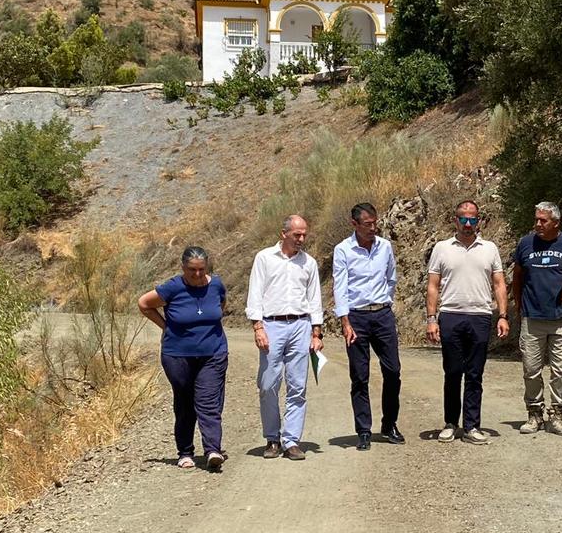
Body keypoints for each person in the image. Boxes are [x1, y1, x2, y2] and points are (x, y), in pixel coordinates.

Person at [137, 246, 229, 471]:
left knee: (208, 402)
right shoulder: (173, 288)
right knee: (185, 401)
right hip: (177, 355)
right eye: (191, 270)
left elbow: (221, 305)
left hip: (213, 353)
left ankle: (213, 450)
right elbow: (144, 304)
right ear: (183, 268)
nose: (197, 275)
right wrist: (165, 326)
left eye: (201, 270)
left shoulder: (216, 285)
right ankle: (185, 452)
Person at [425, 199, 509, 445]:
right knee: (452, 372)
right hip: (450, 315)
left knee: (475, 374)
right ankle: (451, 423)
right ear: (455, 220)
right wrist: (431, 319)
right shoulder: (442, 248)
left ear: (479, 220)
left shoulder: (490, 248)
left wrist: (502, 316)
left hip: (480, 316)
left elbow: (499, 284)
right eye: (463, 218)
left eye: (473, 219)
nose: (468, 223)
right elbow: (432, 285)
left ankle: (472, 426)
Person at [246, 215, 324, 461]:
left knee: (297, 386)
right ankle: (272, 438)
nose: (301, 239)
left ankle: (291, 440)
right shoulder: (265, 258)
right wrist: (258, 327)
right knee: (268, 384)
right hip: (272, 325)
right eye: (296, 235)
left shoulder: (308, 263)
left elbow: (315, 299)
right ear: (284, 234)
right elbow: (255, 293)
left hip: (300, 325)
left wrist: (316, 332)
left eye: (304, 235)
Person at [332, 202, 403, 451]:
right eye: (367, 224)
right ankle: (363, 430)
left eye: (375, 223)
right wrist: (345, 321)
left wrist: (386, 302)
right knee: (359, 376)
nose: (373, 228)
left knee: (393, 371)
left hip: (382, 315)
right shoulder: (343, 250)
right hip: (357, 318)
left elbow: (391, 278)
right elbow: (340, 287)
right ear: (355, 224)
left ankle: (389, 424)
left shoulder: (385, 247)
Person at [512, 202, 562, 435]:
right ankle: (534, 414)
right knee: (531, 369)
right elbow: (517, 277)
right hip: (532, 318)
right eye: (537, 219)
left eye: (543, 220)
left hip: (561, 318)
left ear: (556, 223)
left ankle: (558, 415)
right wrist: (519, 306)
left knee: (560, 370)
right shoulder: (525, 244)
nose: (538, 224)